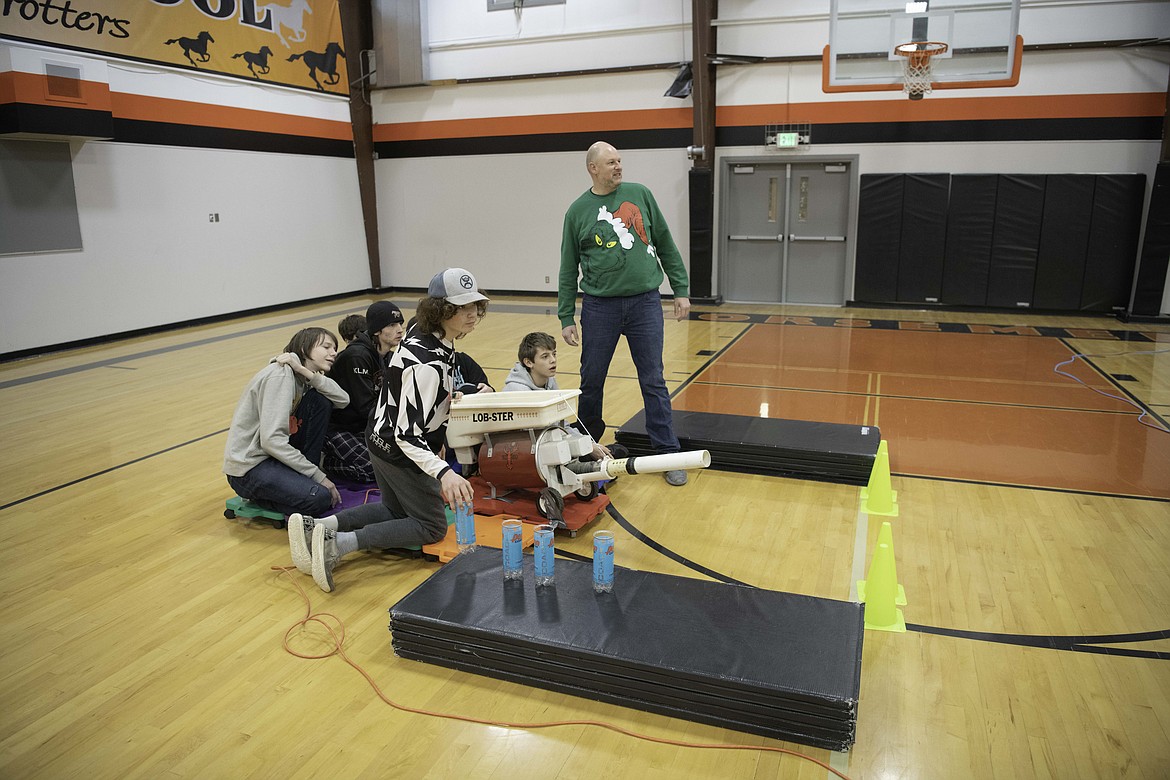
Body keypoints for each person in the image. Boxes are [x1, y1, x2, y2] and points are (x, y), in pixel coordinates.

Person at [288, 268, 489, 592]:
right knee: (431, 525)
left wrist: (451, 398)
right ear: (440, 309)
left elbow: (417, 397)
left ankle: (320, 527)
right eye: (462, 307)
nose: (472, 314)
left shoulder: (430, 337)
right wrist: (444, 473)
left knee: (395, 509)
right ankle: (336, 545)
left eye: (475, 305)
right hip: (398, 447)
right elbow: (408, 434)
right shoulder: (427, 363)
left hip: (380, 435)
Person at [558, 141, 691, 486]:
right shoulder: (577, 212)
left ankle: (667, 452)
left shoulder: (640, 194)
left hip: (645, 303)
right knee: (592, 382)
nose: (618, 167)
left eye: (620, 161)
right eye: (611, 162)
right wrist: (565, 316)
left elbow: (664, 241)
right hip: (600, 307)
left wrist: (681, 290)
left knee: (654, 379)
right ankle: (585, 449)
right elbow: (567, 266)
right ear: (593, 169)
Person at [223, 327, 349, 516]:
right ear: (305, 348)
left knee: (322, 400)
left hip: (273, 458)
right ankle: (260, 498)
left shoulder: (300, 375)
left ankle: (297, 483)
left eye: (334, 348)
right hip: (250, 468)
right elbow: (271, 440)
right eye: (326, 347)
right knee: (320, 498)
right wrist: (317, 476)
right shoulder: (280, 376)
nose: (334, 353)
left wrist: (304, 371)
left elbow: (343, 399)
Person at [322, 301, 405, 483]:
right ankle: (324, 463)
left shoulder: (386, 355)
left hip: (363, 426)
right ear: (376, 330)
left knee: (399, 462)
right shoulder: (357, 357)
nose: (400, 329)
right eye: (392, 325)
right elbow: (366, 407)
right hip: (339, 429)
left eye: (400, 323)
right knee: (375, 471)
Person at [504, 331, 611, 463]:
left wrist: (587, 443)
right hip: (532, 448)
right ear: (528, 362)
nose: (553, 360)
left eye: (554, 354)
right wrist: (585, 446)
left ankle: (592, 456)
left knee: (595, 423)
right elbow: (540, 438)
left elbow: (561, 424)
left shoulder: (550, 381)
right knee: (599, 450)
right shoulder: (518, 391)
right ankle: (590, 458)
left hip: (553, 436)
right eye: (545, 357)